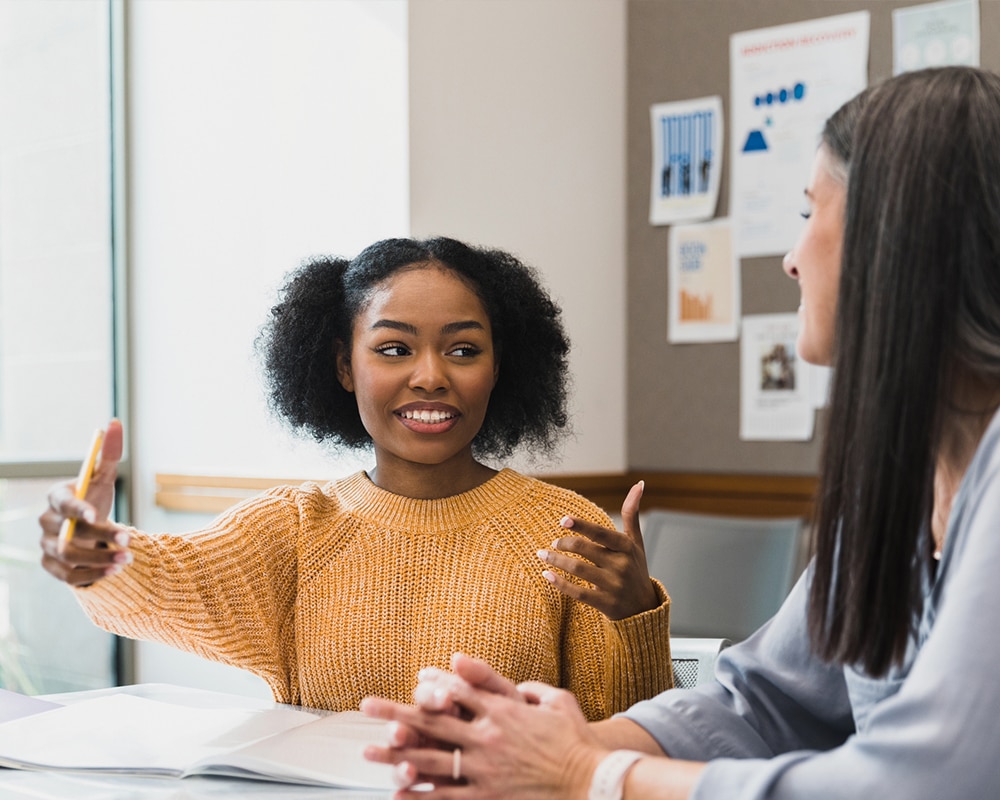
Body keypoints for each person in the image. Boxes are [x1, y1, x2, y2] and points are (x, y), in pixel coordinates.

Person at [362, 67, 1000, 800]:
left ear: (897, 242)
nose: (792, 256)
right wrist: (538, 743)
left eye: (811, 215)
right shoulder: (904, 482)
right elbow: (768, 697)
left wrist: (583, 781)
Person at [38, 237, 671, 716]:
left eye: (463, 349)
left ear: (500, 368)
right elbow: (170, 578)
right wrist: (97, 554)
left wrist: (637, 614)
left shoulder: (566, 531)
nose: (430, 376)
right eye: (394, 349)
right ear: (344, 367)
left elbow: (630, 738)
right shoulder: (295, 529)